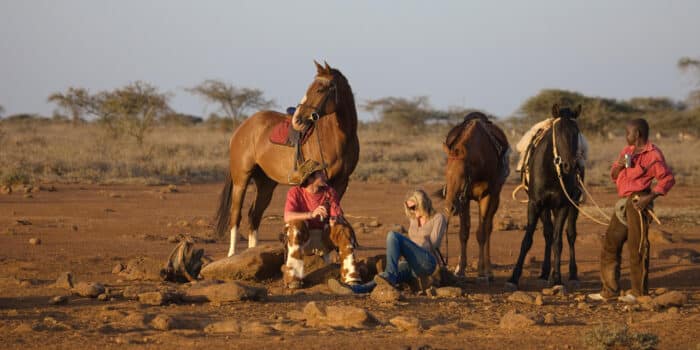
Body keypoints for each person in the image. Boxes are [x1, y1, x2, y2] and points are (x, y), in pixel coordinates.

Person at [588, 118, 675, 302]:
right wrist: (619, 166)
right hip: (623, 203)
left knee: (638, 247)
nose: (626, 136)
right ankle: (609, 290)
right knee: (610, 243)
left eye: (628, 133)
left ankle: (638, 293)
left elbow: (667, 179)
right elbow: (613, 175)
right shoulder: (627, 151)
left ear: (637, 134)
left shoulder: (653, 154)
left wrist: (649, 198)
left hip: (638, 202)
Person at [327, 189, 447, 294]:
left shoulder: (438, 218)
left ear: (423, 203)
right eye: (409, 208)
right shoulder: (414, 220)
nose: (412, 211)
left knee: (393, 236)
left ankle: (390, 275)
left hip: (427, 262)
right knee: (383, 278)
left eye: (414, 207)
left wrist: (409, 248)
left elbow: (434, 242)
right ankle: (354, 289)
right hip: (412, 264)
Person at [284, 159, 344, 256]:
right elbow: (287, 216)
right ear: (310, 179)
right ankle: (294, 265)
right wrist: (311, 214)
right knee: (295, 225)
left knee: (343, 229)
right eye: (320, 173)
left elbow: (338, 216)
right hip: (302, 238)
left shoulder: (330, 192)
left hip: (323, 237)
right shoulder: (295, 192)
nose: (325, 175)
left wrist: (335, 220)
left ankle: (347, 266)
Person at [515, 117, 589, 172]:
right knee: (530, 137)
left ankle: (580, 168)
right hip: (550, 121)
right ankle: (523, 164)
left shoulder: (571, 125)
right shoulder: (546, 123)